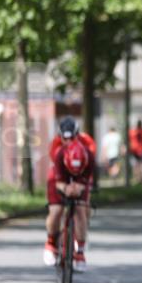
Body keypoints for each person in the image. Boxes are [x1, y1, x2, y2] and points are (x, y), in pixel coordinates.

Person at [43, 116, 97, 271]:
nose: (67, 142)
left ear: (77, 134)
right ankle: (51, 242)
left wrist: (80, 186)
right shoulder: (57, 148)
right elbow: (59, 174)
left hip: (81, 174)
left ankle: (80, 250)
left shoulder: (88, 147)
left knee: (82, 210)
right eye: (64, 139)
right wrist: (64, 187)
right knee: (56, 210)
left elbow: (88, 173)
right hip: (61, 173)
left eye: (71, 138)